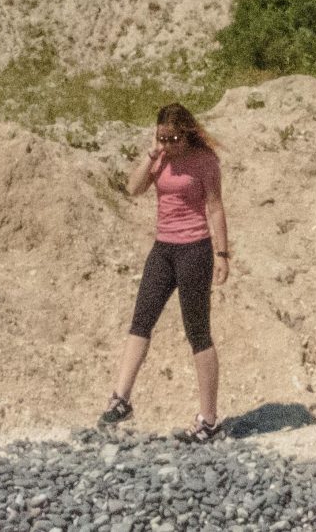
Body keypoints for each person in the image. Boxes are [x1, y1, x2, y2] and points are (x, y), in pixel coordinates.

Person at [99, 102, 230, 441]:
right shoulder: (159, 158)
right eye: (162, 137)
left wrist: (223, 253)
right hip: (163, 249)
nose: (168, 144)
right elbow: (133, 188)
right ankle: (121, 400)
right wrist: (151, 154)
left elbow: (215, 208)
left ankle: (209, 420)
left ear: (186, 135)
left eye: (172, 138)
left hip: (194, 249)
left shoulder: (205, 162)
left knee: (198, 332)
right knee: (141, 320)